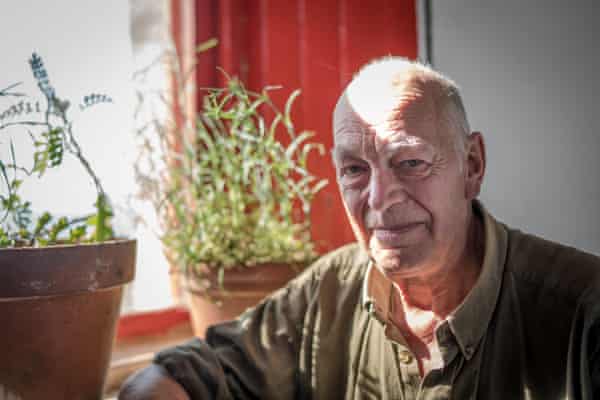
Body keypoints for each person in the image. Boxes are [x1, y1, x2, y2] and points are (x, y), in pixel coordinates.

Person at [119, 57, 600, 399]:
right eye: (354, 170)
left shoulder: (583, 310)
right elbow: (194, 371)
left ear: (472, 165)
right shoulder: (328, 289)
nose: (378, 198)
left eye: (409, 162)